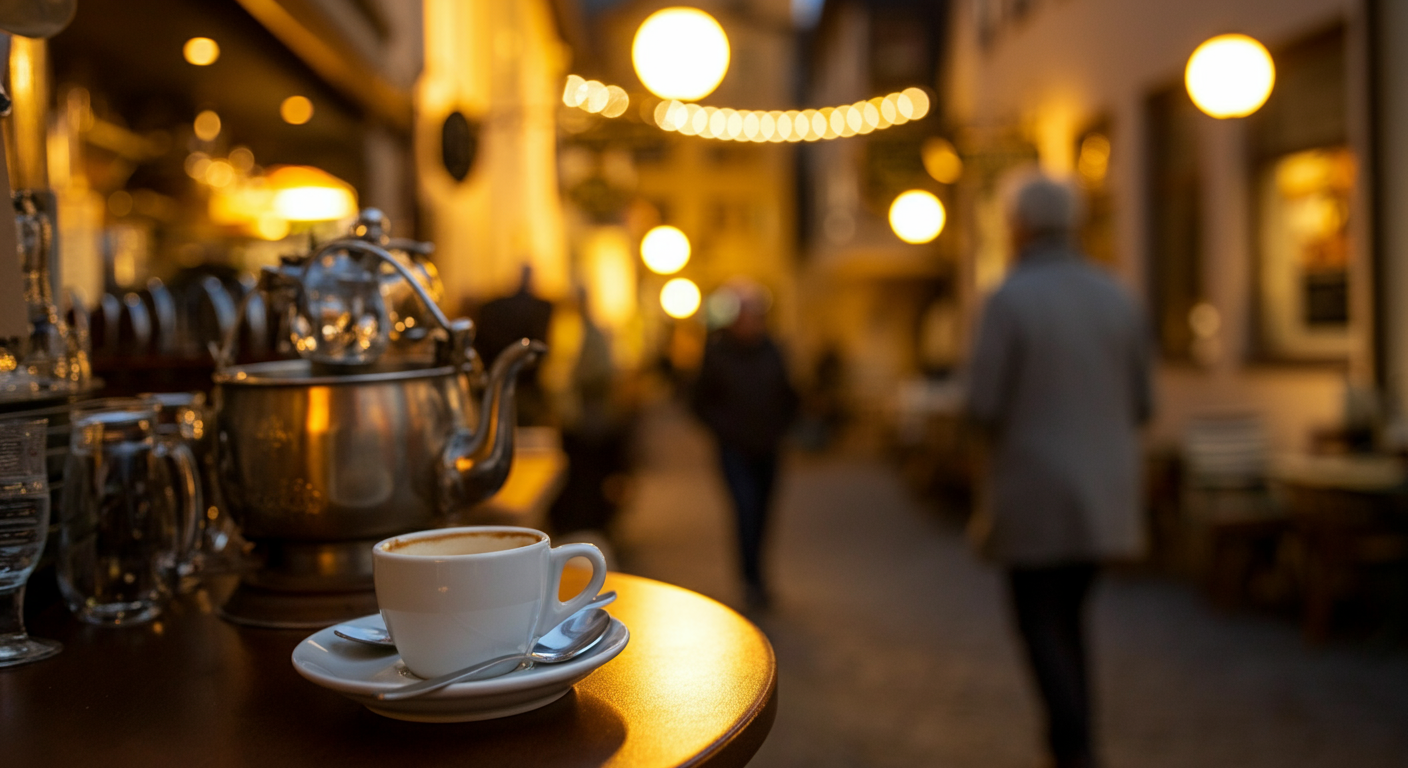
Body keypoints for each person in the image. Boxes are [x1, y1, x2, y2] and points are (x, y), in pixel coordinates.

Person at [965, 174, 1152, 768]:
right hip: (1105, 497)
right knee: (1071, 618)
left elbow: (982, 405)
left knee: (1040, 622)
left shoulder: (1009, 299)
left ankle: (1073, 745)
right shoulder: (1119, 295)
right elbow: (1145, 404)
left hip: (1034, 495)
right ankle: (1076, 739)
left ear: (1020, 227)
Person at [691, 283, 798, 611]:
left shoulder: (773, 350)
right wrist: (724, 430)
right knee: (745, 511)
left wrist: (783, 425)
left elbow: (789, 393)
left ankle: (758, 576)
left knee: (764, 514)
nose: (751, 323)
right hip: (734, 449)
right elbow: (699, 402)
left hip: (767, 448)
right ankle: (751, 581)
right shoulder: (718, 353)